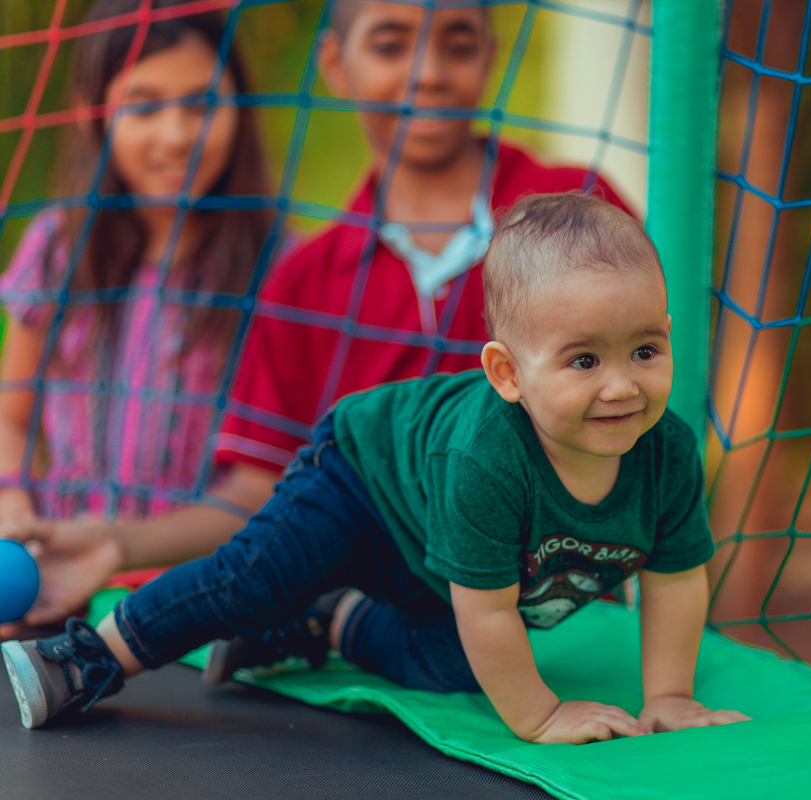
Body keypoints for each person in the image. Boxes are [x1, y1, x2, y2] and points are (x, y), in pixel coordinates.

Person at [2, 194, 750, 744]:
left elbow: (676, 576)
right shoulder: (488, 457)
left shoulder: (669, 452)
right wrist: (541, 714)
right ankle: (87, 659)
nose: (622, 385)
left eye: (645, 351)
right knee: (254, 575)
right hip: (361, 478)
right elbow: (491, 609)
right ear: (508, 374)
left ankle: (328, 620)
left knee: (461, 662)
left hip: (438, 546)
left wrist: (671, 696)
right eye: (584, 360)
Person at [0, 0, 633, 634]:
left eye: (458, 43)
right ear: (334, 62)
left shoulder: (573, 211)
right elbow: (260, 492)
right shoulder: (305, 284)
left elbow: (643, 391)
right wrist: (91, 535)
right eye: (390, 45)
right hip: (377, 618)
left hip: (568, 611)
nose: (427, 73)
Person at [0, 0, 282, 631]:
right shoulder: (56, 246)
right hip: (55, 576)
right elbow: (12, 415)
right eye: (145, 105)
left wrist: (118, 545)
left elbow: (257, 492)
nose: (177, 135)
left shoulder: (279, 271)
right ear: (93, 114)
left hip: (201, 597)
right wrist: (11, 503)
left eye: (202, 104)